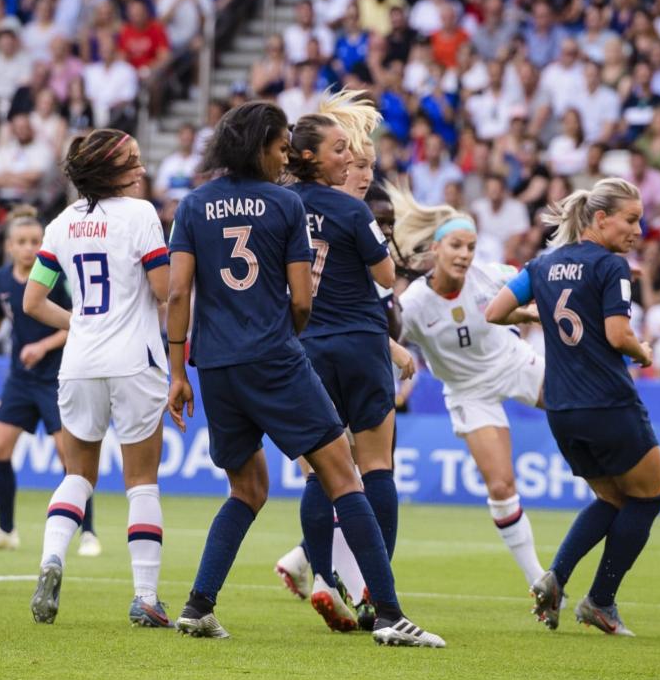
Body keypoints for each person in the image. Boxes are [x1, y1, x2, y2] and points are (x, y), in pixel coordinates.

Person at [165, 102, 441, 646]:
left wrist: (178, 372)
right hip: (275, 356)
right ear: (260, 146)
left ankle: (199, 604)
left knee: (246, 488)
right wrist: (285, 332)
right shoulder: (284, 204)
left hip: (214, 366)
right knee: (344, 474)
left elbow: (177, 294)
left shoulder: (192, 205)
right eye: (279, 144)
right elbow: (301, 298)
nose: (285, 153)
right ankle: (387, 613)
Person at [485, 178, 660, 636]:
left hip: (562, 407)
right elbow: (617, 335)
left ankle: (556, 576)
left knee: (611, 498)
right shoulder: (611, 266)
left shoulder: (543, 265)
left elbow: (494, 312)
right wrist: (643, 353)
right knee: (650, 496)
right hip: (607, 401)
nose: (637, 229)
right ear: (600, 219)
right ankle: (600, 601)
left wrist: (534, 313)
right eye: (630, 219)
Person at [23, 128, 172, 628]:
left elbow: (32, 301)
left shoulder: (61, 224)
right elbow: (162, 287)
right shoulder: (141, 215)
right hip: (135, 363)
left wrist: (81, 322)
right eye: (132, 161)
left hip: (80, 363)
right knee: (141, 482)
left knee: (77, 475)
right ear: (111, 172)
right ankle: (145, 596)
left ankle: (50, 561)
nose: (142, 169)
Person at [281, 112, 413, 632]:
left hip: (305, 347)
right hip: (360, 344)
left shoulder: (284, 206)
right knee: (376, 467)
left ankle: (320, 577)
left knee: (320, 468)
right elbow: (386, 276)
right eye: (348, 158)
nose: (356, 170)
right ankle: (371, 591)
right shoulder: (351, 210)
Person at [387, 183, 547, 590]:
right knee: (500, 485)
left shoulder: (489, 276)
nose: (464, 255)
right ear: (436, 249)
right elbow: (379, 336)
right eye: (456, 245)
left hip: (513, 363)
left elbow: (539, 282)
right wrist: (398, 360)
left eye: (471, 246)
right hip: (468, 392)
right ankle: (541, 584)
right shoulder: (416, 303)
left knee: (582, 402)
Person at [0, 208, 101, 556]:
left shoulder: (55, 278)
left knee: (71, 458)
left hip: (56, 377)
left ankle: (88, 533)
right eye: (21, 241)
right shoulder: (1, 281)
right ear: (9, 246)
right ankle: (5, 529)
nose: (29, 247)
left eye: (35, 241)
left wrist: (43, 345)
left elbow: (78, 323)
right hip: (20, 379)